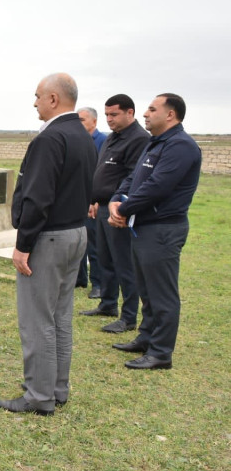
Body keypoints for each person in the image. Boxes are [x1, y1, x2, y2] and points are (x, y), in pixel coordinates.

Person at [0, 73, 96, 415]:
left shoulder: (50, 138)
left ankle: (38, 396)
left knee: (37, 318)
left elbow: (38, 197)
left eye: (38, 96)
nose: (35, 102)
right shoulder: (82, 135)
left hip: (49, 238)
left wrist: (23, 244)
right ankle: (56, 388)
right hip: (75, 232)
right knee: (60, 316)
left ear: (54, 99)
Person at [109, 93, 201, 370]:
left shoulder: (181, 146)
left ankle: (161, 352)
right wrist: (116, 199)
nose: (145, 114)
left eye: (151, 109)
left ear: (170, 114)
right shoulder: (156, 143)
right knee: (147, 290)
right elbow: (133, 178)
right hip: (144, 227)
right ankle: (146, 338)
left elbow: (158, 186)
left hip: (163, 229)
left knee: (162, 294)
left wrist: (123, 210)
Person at [80, 95, 149, 333]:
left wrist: (118, 205)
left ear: (130, 113)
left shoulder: (139, 139)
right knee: (104, 258)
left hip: (118, 210)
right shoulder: (112, 138)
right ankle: (108, 304)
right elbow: (102, 172)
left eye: (114, 114)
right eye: (107, 115)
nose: (109, 119)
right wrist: (94, 199)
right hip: (101, 207)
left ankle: (128, 316)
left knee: (124, 263)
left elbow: (134, 178)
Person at [75, 106, 107, 296]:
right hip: (76, 199)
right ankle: (80, 278)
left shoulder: (103, 141)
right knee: (78, 242)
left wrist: (95, 200)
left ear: (94, 121)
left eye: (82, 120)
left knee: (93, 243)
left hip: (92, 201)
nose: (79, 124)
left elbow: (102, 173)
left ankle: (98, 283)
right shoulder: (77, 140)